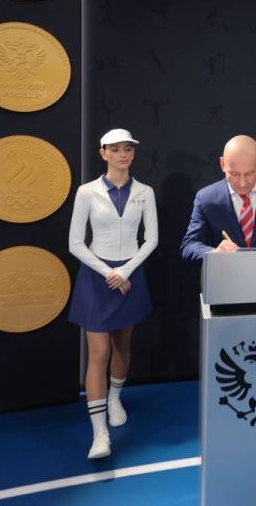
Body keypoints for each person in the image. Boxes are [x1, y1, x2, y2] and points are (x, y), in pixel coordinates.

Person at [68, 128, 158, 459]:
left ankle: (115, 398)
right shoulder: (86, 192)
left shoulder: (145, 192)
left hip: (130, 276)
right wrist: (109, 273)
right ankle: (100, 434)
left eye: (127, 149)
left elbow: (152, 239)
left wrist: (126, 271)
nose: (123, 154)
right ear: (103, 153)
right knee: (98, 353)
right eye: (116, 149)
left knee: (122, 346)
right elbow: (75, 243)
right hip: (97, 278)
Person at [181, 134, 256, 262]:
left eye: (249, 174)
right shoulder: (206, 199)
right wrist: (214, 254)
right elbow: (189, 245)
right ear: (222, 164)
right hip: (224, 273)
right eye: (234, 174)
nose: (242, 183)